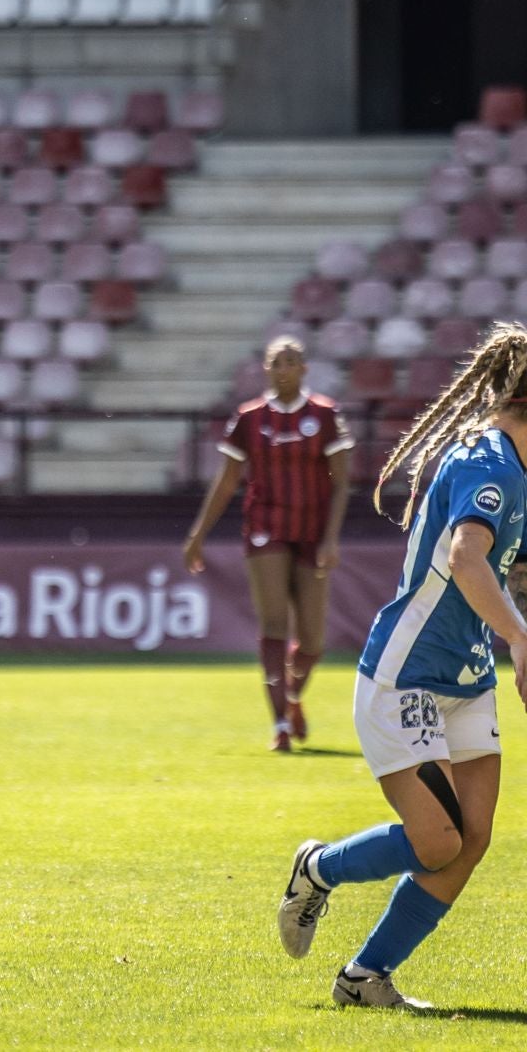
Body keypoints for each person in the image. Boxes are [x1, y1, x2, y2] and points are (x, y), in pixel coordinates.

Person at [275, 322, 527, 1010]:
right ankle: (318, 868)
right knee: (437, 841)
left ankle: (365, 979)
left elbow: (512, 566)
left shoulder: (513, 463)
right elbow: (467, 559)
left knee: (469, 842)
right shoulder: (493, 467)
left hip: (467, 682)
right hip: (406, 674)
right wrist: (520, 638)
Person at [184, 336, 353, 750]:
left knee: (313, 641)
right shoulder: (249, 419)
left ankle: (292, 695)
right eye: (277, 362)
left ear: (304, 369)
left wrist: (332, 538)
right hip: (265, 528)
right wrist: (198, 535)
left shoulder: (326, 416)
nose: (284, 369)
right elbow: (226, 483)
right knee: (274, 624)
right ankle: (278, 722)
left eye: (291, 361)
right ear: (266, 369)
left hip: (312, 532)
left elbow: (341, 483)